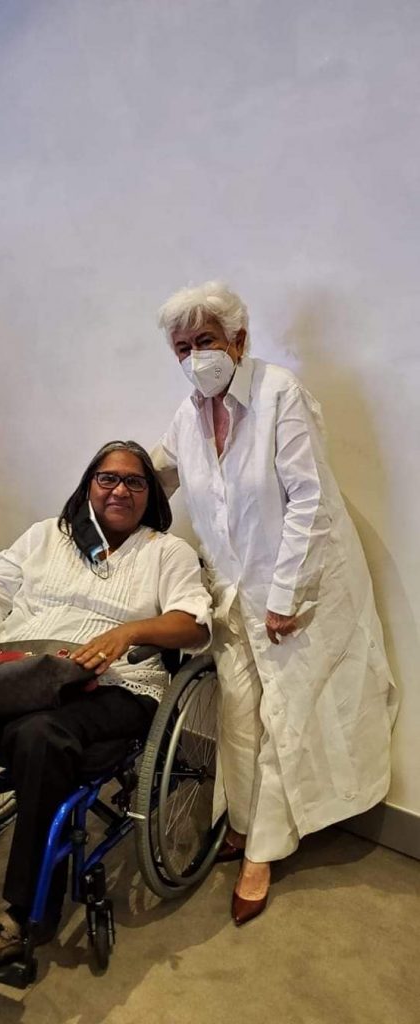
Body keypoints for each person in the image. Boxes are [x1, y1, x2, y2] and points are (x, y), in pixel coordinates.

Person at [152, 281, 398, 926]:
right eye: (183, 347)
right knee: (239, 712)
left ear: (238, 340)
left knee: (286, 716)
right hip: (234, 591)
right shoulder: (188, 414)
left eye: (206, 340)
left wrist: (287, 596)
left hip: (301, 589)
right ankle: (241, 820)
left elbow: (309, 500)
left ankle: (261, 851)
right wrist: (104, 493)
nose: (195, 356)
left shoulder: (279, 394)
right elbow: (162, 471)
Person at [0, 440, 211, 965]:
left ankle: (28, 913)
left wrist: (129, 632)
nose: (120, 490)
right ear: (88, 486)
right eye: (108, 478)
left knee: (38, 735)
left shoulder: (165, 552)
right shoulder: (46, 536)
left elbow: (193, 623)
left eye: (135, 481)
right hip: (23, 678)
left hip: (117, 688)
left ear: (150, 495)